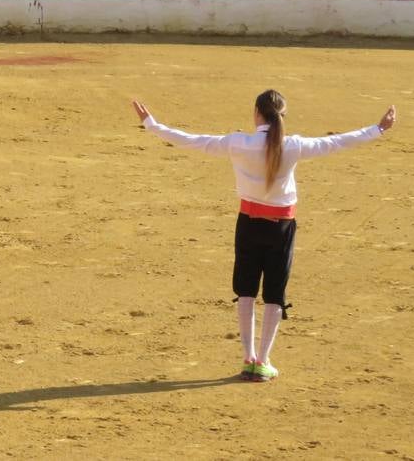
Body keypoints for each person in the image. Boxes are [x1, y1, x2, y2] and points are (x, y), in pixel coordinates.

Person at [131, 92, 397, 384]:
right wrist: (378, 129)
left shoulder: (238, 143)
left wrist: (152, 124)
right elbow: (335, 142)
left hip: (248, 223)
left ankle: (248, 357)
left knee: (246, 290)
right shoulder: (293, 145)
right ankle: (264, 360)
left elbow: (192, 140)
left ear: (257, 112)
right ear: (282, 115)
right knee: (274, 292)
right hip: (281, 226)